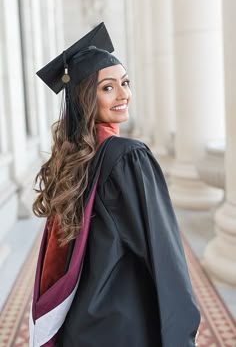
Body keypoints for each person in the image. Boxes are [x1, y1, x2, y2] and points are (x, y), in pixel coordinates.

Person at [30, 22, 200, 347]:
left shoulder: (70, 160)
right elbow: (164, 258)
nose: (124, 95)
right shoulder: (127, 158)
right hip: (125, 325)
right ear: (84, 98)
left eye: (125, 82)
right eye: (108, 87)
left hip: (81, 325)